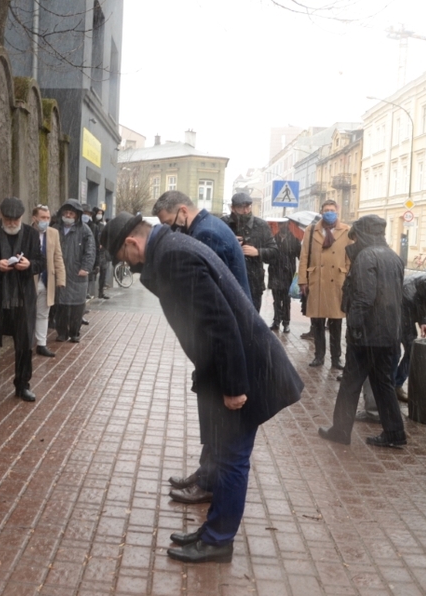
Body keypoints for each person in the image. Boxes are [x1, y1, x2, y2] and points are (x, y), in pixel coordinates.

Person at [101, 212, 303, 564]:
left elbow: (219, 324)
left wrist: (234, 386)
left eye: (123, 257)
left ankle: (218, 541)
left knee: (232, 460)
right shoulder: (176, 245)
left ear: (132, 242)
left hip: (245, 372)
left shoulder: (173, 256)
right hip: (237, 366)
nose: (128, 265)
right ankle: (213, 530)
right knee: (226, 457)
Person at [153, 190, 252, 506]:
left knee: (216, 417)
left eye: (171, 223)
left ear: (183, 211)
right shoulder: (208, 227)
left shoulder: (207, 234)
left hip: (223, 340)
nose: (172, 230)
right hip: (224, 338)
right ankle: (205, 474)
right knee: (212, 414)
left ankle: (208, 482)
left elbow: (213, 303)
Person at [318, 215, 407, 448]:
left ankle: (340, 430)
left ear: (364, 234)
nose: (353, 241)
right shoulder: (394, 257)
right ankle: (395, 433)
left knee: (350, 384)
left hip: (368, 334)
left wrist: (354, 327)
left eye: (356, 236)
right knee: (383, 384)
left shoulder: (367, 257)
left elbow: (364, 298)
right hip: (388, 334)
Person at [0, 197, 44, 402]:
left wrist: (29, 265)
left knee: (23, 345)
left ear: (22, 217)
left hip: (22, 299)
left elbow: (40, 262)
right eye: (8, 219)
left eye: (16, 219)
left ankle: (23, 385)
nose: (12, 223)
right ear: (0, 215)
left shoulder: (30, 234)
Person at [298, 200, 352, 369]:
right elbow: (304, 256)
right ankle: (319, 356)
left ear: (337, 211)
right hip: (317, 280)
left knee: (336, 324)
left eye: (332, 210)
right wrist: (302, 280)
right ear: (321, 212)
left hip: (337, 281)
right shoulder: (312, 229)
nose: (329, 212)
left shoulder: (346, 230)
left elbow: (350, 257)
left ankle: (336, 359)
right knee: (318, 323)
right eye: (326, 210)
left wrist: (347, 276)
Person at [222, 192, 278, 314]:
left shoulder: (261, 225)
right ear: (233, 208)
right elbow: (212, 249)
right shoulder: (223, 224)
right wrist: (230, 242)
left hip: (254, 282)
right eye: (241, 207)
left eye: (248, 207)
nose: (246, 211)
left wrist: (257, 252)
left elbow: (274, 251)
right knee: (229, 319)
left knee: (251, 320)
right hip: (228, 279)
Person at [53, 199, 96, 343]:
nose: (68, 215)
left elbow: (90, 251)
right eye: (66, 212)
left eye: (71, 213)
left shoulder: (84, 230)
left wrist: (86, 267)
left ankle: (75, 332)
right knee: (61, 305)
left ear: (77, 215)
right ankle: (62, 332)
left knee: (77, 305)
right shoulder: (56, 229)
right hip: (60, 273)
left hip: (78, 273)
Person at [31, 205, 66, 358]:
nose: (45, 221)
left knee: (43, 314)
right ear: (35, 218)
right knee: (27, 313)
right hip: (29, 280)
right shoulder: (27, 232)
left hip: (47, 279)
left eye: (48, 218)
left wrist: (61, 278)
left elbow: (58, 256)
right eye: (42, 218)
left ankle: (41, 344)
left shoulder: (53, 233)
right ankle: (25, 343)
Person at [269, 219, 302, 333]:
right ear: (278, 225)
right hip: (275, 274)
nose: (282, 226)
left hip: (288, 275)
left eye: (284, 224)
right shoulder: (273, 239)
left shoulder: (294, 240)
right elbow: (269, 256)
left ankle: (286, 323)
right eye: (280, 224)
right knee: (276, 300)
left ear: (288, 225)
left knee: (286, 301)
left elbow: (301, 257)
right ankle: (276, 321)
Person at [94, 207, 111, 299]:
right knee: (94, 272)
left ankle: (101, 291)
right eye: (98, 213)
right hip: (95, 252)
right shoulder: (93, 224)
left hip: (102, 252)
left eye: (101, 213)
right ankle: (90, 292)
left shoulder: (102, 225)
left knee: (103, 271)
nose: (99, 214)